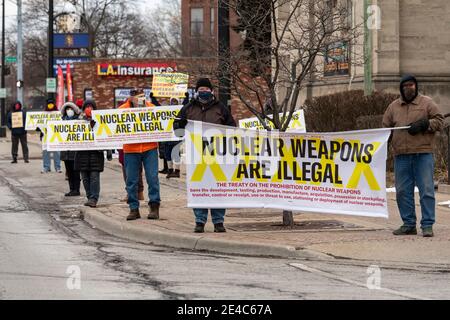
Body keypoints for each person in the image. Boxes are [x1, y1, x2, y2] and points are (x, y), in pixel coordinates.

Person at [382, 74, 444, 237]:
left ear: (416, 86)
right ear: (401, 88)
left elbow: (440, 120)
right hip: (401, 155)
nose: (408, 88)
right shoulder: (393, 107)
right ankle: (409, 224)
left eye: (411, 85)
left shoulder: (426, 103)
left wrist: (425, 124)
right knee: (402, 191)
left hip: (423, 154)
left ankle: (427, 224)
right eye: (405, 86)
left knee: (427, 190)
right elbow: (385, 129)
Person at [173, 78, 236, 233]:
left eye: (207, 90)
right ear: (196, 91)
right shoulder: (188, 108)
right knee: (199, 187)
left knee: (218, 188)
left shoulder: (220, 108)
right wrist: (180, 125)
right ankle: (199, 221)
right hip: (197, 156)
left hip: (217, 156)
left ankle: (218, 221)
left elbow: (232, 128)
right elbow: (177, 130)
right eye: (201, 89)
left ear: (211, 91)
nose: (204, 92)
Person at [120, 90, 161, 221]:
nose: (139, 99)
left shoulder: (151, 108)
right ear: (131, 98)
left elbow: (161, 122)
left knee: (152, 178)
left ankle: (154, 207)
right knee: (131, 180)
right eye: (137, 97)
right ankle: (133, 208)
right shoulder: (122, 110)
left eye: (142, 97)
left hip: (150, 148)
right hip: (131, 149)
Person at [74, 99, 112, 207]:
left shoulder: (99, 121)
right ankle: (89, 196)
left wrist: (108, 150)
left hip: (96, 154)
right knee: (85, 178)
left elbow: (105, 134)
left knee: (94, 177)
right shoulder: (78, 121)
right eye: (87, 106)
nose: (89, 109)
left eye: (91, 107)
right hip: (82, 155)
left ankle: (94, 198)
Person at [60, 101, 81, 196]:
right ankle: (71, 189)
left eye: (71, 109)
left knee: (76, 171)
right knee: (69, 171)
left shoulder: (79, 120)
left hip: (75, 151)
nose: (69, 111)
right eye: (67, 109)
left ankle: (76, 189)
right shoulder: (62, 121)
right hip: (65, 151)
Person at [40, 98, 61, 173]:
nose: (50, 105)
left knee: (57, 152)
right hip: (46, 137)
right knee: (45, 152)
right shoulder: (43, 114)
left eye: (51, 103)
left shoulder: (58, 113)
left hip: (55, 137)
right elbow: (40, 124)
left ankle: (58, 167)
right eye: (49, 104)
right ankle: (46, 167)